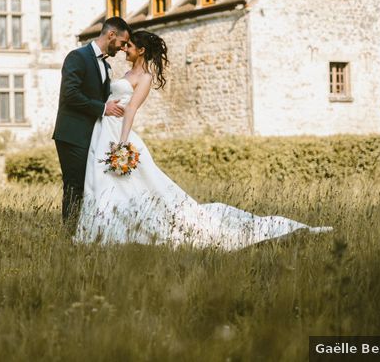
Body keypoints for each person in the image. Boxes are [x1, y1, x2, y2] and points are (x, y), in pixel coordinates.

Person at [75, 30, 332, 251]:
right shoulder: (124, 72)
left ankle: (120, 229)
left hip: (119, 132)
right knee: (101, 179)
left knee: (135, 184)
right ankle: (99, 228)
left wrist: (122, 142)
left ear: (141, 50)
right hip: (104, 127)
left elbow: (131, 109)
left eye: (129, 46)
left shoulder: (145, 78)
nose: (124, 49)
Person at [52, 17, 132, 233]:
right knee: (74, 186)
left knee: (90, 186)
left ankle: (85, 232)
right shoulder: (77, 57)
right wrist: (104, 108)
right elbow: (70, 95)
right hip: (72, 134)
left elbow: (101, 98)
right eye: (123, 42)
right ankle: (68, 234)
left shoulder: (105, 65)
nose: (123, 48)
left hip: (94, 135)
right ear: (111, 35)